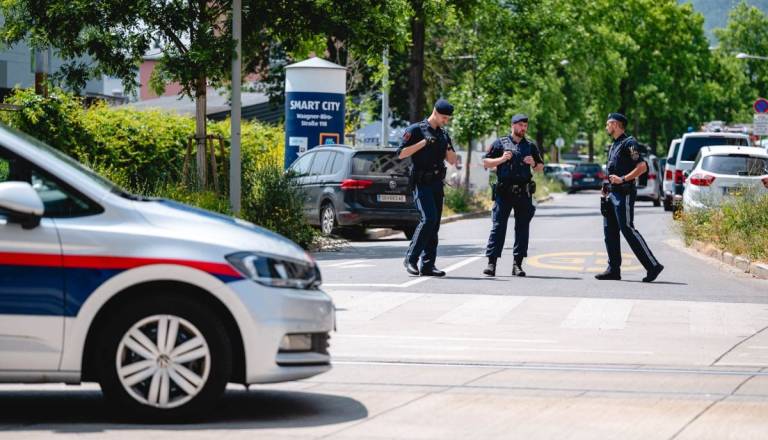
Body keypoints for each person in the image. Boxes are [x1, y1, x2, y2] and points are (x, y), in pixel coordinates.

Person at [596, 113, 664, 282]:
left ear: (615, 124)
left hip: (623, 193)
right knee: (610, 231)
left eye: (608, 124)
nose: (606, 127)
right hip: (611, 193)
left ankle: (653, 266)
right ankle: (613, 270)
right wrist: (606, 187)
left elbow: (642, 166)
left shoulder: (629, 143)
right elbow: (613, 169)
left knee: (627, 229)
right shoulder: (614, 144)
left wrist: (623, 179)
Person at [397, 99, 458, 276]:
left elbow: (453, 160)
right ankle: (411, 259)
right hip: (421, 182)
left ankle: (428, 265)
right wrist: (423, 143)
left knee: (435, 224)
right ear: (435, 112)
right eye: (444, 117)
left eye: (448, 118)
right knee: (428, 219)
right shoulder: (416, 130)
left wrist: (446, 145)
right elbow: (401, 153)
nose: (446, 121)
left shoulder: (443, 134)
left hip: (437, 183)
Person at [482, 114, 544, 277]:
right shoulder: (500, 143)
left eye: (525, 126)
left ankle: (517, 264)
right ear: (513, 125)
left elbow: (540, 167)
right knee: (498, 227)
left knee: (522, 228)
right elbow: (486, 162)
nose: (523, 128)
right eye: (521, 125)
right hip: (504, 192)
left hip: (523, 192)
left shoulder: (530, 146)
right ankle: (491, 263)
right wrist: (501, 159)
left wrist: (533, 163)